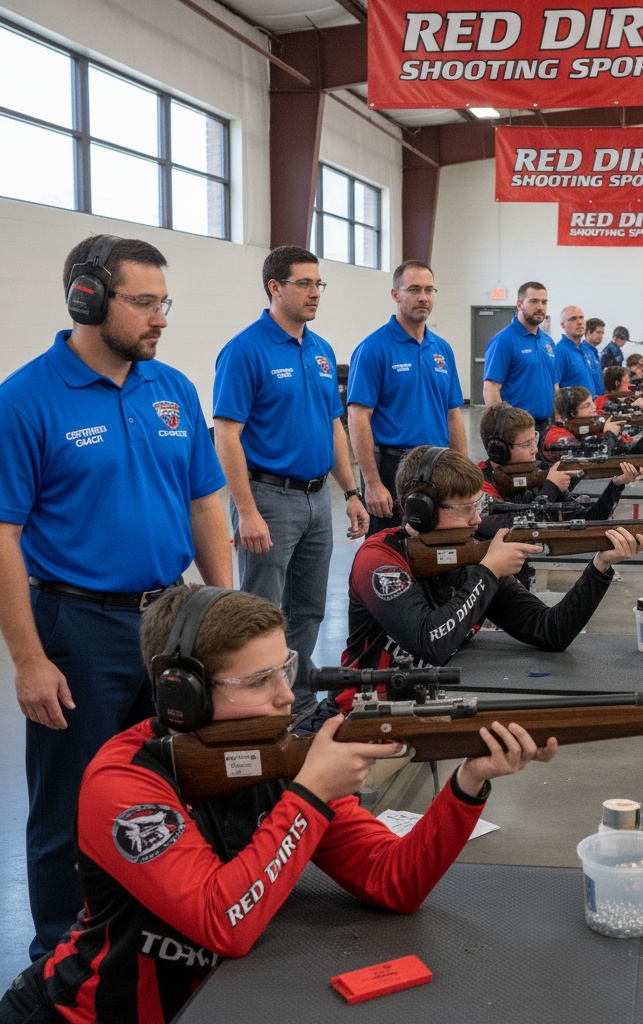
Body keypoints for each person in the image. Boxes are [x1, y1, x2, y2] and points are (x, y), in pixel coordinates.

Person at [0, 584, 556, 1024]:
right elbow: (222, 923)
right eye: (260, 680)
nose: (287, 696)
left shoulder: (275, 754)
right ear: (182, 694)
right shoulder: (122, 783)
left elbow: (395, 881)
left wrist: (469, 782)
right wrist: (311, 793)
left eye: (284, 669)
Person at [0, 234, 233, 960]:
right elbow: (2, 537)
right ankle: (60, 966)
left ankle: (145, 941)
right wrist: (30, 659)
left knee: (174, 787)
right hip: (79, 628)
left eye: (165, 302)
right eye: (143, 303)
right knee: (72, 810)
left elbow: (204, 505)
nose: (160, 317)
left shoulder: (173, 390)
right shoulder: (26, 398)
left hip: (172, 623)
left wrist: (225, 616)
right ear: (87, 298)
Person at [213, 246, 369, 710]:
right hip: (268, 498)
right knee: (261, 615)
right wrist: (245, 511)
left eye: (318, 284)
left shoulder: (321, 351)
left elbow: (334, 426)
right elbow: (226, 434)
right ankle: (253, 707)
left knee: (308, 610)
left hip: (318, 498)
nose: (314, 293)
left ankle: (296, 704)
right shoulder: (244, 351)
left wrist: (352, 492)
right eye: (304, 283)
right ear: (274, 287)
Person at [341, 446, 643, 672]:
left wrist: (600, 566)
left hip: (431, 706)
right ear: (420, 511)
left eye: (478, 505)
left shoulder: (471, 553)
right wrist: (488, 572)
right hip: (365, 717)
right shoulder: (379, 560)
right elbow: (430, 642)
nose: (477, 520)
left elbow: (551, 631)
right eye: (465, 509)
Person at [347, 260, 467, 537]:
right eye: (414, 289)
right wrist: (372, 482)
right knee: (389, 551)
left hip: (438, 464)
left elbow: (453, 414)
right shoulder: (373, 348)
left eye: (429, 290)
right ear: (395, 295)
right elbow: (358, 417)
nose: (423, 297)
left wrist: (464, 474)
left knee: (436, 546)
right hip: (392, 467)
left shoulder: (442, 349)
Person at [478, 402, 640, 520]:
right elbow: (517, 531)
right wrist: (550, 489)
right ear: (498, 451)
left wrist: (617, 484)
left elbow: (588, 518)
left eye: (533, 440)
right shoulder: (479, 491)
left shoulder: (533, 476)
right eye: (526, 444)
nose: (534, 449)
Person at [482, 281, 558, 431]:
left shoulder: (547, 341)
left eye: (544, 302)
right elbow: (490, 390)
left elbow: (554, 384)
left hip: (547, 424)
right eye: (534, 301)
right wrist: (504, 427)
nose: (540, 307)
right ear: (519, 305)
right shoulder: (503, 340)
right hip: (517, 428)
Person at [541, 387, 643, 464]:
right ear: (572, 414)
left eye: (592, 403)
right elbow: (597, 461)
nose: (594, 408)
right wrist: (609, 435)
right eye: (586, 406)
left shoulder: (593, 426)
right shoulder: (558, 438)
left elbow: (632, 453)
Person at [554, 304, 602, 394]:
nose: (579, 322)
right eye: (573, 319)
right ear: (563, 325)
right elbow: (555, 389)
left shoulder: (588, 351)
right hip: (573, 407)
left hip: (593, 406)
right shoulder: (559, 352)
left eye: (581, 317)